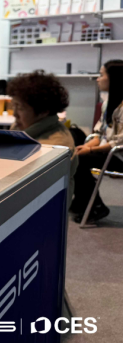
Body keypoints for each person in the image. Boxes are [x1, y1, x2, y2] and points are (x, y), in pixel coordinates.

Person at [7, 71, 77, 199]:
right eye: (13, 106)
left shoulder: (55, 147)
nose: (14, 114)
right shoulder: (23, 128)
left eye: (20, 107)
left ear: (43, 111)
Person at [71, 60, 123, 224]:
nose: (98, 79)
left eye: (101, 75)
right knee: (74, 145)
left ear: (114, 78)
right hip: (109, 151)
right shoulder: (107, 103)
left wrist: (90, 151)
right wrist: (86, 146)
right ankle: (83, 201)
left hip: (119, 155)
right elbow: (98, 134)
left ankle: (95, 206)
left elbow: (119, 143)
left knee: (79, 159)